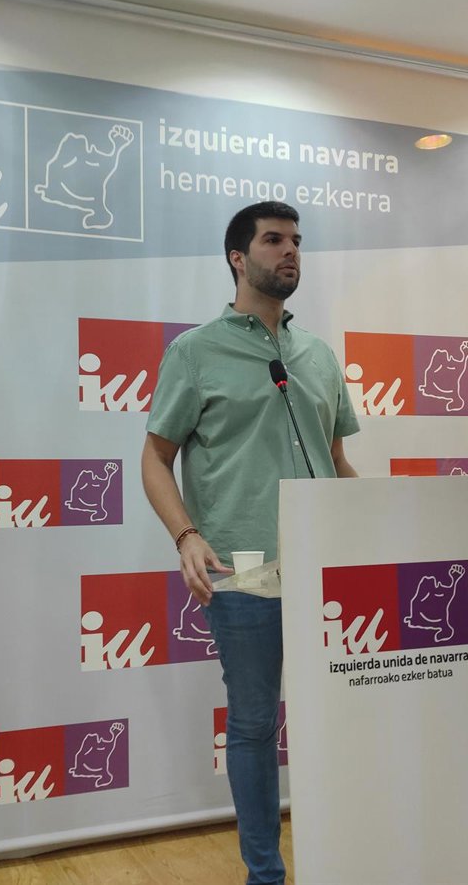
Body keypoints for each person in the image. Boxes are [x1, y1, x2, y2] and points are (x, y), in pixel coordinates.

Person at [141, 201, 359, 884]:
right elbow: (155, 458)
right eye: (273, 240)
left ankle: (347, 855)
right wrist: (186, 534)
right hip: (244, 573)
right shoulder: (195, 351)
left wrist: (387, 523)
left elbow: (337, 462)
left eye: (296, 240)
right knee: (256, 723)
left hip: (326, 567)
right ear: (238, 258)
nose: (290, 251)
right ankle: (265, 875)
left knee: (341, 717)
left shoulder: (318, 355)